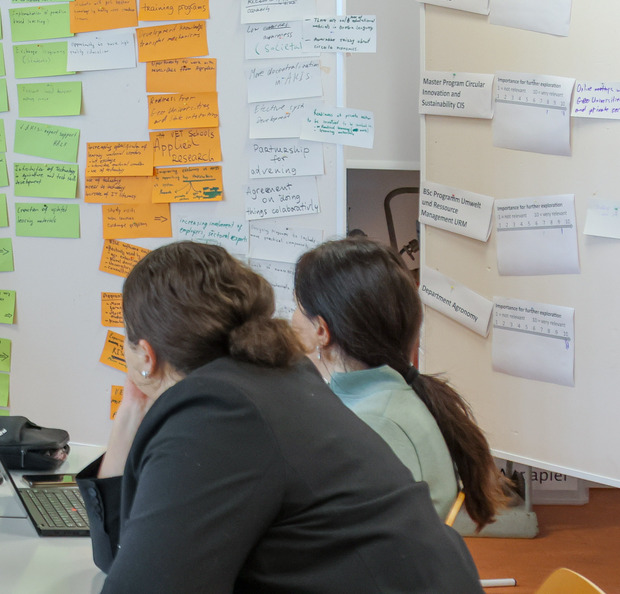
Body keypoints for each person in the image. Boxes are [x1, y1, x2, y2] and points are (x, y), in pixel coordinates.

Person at [77, 241, 482, 592]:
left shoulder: (217, 412)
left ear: (146, 355)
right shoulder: (276, 379)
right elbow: (132, 556)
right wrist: (132, 409)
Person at [292, 237, 512, 527]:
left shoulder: (374, 422)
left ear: (322, 330)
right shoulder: (381, 398)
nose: (291, 319)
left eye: (297, 306)